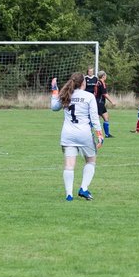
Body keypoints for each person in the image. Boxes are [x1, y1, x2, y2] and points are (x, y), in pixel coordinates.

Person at [51, 71, 104, 201]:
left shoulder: (65, 94)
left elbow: (54, 107)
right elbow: (94, 118)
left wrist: (54, 90)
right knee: (91, 161)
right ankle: (83, 189)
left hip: (68, 134)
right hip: (84, 134)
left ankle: (69, 195)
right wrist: (99, 134)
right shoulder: (89, 96)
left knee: (69, 165)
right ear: (83, 83)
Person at [93, 69, 113, 137]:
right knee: (96, 119)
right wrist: (112, 101)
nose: (106, 76)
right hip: (100, 102)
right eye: (105, 75)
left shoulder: (98, 82)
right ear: (103, 76)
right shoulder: (102, 83)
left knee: (106, 117)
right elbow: (105, 94)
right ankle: (88, 132)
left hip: (100, 102)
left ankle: (107, 134)